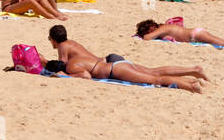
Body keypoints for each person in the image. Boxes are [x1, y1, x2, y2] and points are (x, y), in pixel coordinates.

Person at [47, 25, 206, 91]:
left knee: (155, 80)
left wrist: (66, 76)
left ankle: (192, 86)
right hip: (115, 63)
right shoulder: (72, 44)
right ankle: (193, 74)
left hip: (115, 69)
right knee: (154, 72)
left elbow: (85, 75)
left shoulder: (66, 55)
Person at [136, 19, 224, 53]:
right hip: (196, 33)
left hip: (195, 35)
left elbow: (147, 38)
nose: (148, 32)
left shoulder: (162, 28)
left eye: (148, 30)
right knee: (223, 41)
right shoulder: (164, 27)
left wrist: (144, 35)